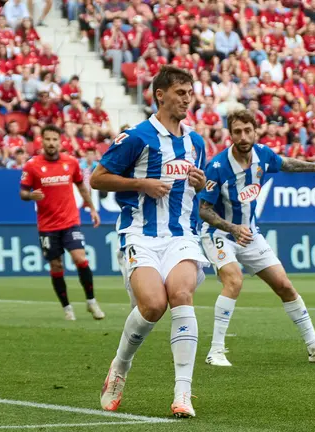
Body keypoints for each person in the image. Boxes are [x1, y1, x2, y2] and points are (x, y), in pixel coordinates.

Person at [90, 66, 209, 418]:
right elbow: (97, 179)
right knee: (153, 305)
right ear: (160, 95)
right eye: (180, 92)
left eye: (190, 92)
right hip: (139, 234)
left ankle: (183, 394)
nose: (187, 98)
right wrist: (141, 184)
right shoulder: (138, 137)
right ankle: (120, 368)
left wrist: (198, 184)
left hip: (181, 237)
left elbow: (192, 193)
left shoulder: (196, 142)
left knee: (182, 295)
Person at [198, 109, 315, 367]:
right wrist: (232, 228)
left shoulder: (263, 154)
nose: (244, 136)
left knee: (285, 286)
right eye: (237, 131)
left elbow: (285, 163)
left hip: (250, 233)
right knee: (234, 281)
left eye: (248, 130)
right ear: (230, 134)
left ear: (255, 131)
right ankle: (215, 351)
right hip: (219, 233)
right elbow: (204, 210)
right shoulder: (217, 167)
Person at [19, 124, 104, 321]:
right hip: (47, 226)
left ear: (60, 141)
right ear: (42, 141)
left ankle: (91, 301)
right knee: (56, 266)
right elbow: (22, 192)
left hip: (70, 221)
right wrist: (31, 195)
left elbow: (82, 187)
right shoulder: (32, 166)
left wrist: (91, 208)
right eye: (47, 139)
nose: (51, 143)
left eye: (54, 140)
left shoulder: (71, 163)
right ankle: (67, 308)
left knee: (80, 258)